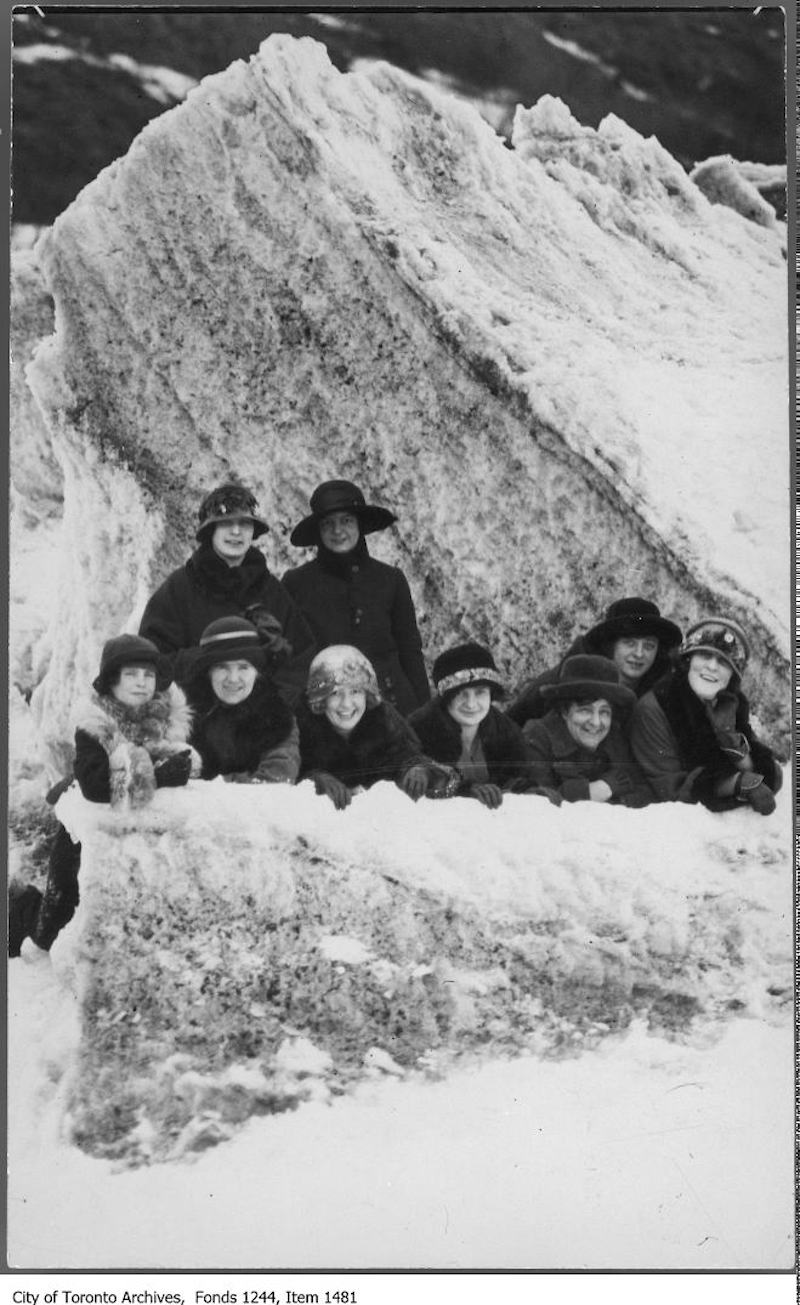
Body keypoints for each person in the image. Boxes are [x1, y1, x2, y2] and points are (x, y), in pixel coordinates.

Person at [9, 635, 200, 955]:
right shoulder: (94, 724)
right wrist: (157, 776)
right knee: (49, 932)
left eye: (149, 675)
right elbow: (96, 786)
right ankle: (19, 910)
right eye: (132, 675)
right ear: (112, 680)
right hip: (80, 838)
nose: (142, 683)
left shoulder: (168, 721)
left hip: (136, 832)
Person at [139, 482, 316, 706]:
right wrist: (207, 658)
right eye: (225, 523)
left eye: (244, 523)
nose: (235, 532)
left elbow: (301, 657)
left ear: (253, 531)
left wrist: (274, 705)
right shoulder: (179, 588)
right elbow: (151, 660)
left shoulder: (270, 589)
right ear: (210, 531)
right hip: (196, 721)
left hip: (260, 724)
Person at [283, 480, 430, 716]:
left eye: (346, 521)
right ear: (319, 532)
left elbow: (410, 651)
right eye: (328, 524)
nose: (337, 530)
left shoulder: (390, 579)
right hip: (330, 709)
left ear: (359, 525)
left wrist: (424, 712)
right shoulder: (296, 583)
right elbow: (290, 658)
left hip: (393, 705)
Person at [630, 618, 782, 814]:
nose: (711, 667)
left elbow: (768, 773)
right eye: (704, 655)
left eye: (723, 662)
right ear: (687, 661)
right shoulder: (654, 708)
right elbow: (670, 789)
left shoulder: (731, 704)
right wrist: (737, 783)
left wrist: (730, 741)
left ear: (732, 676)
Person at [297, 645, 456, 810]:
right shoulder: (299, 730)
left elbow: (407, 755)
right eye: (335, 693)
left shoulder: (384, 722)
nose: (346, 704)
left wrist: (416, 768)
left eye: (355, 691)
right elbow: (281, 782)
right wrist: (313, 781)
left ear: (367, 694)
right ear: (320, 699)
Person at [408, 641, 553, 809]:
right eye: (461, 694)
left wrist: (527, 792)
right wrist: (465, 792)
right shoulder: (418, 732)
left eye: (480, 692)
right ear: (446, 697)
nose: (471, 704)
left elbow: (518, 778)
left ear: (492, 694)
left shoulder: (507, 733)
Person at [506, 597, 682, 727]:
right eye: (630, 643)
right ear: (610, 645)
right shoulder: (562, 680)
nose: (639, 654)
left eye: (649, 646)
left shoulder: (660, 690)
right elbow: (511, 725)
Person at [523, 655, 652, 806]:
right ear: (564, 711)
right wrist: (593, 791)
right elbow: (536, 800)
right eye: (585, 711)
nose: (596, 723)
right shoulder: (537, 736)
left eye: (604, 712)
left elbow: (644, 792)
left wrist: (611, 803)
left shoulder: (613, 736)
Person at [185, 617, 299, 784]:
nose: (233, 678)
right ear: (208, 672)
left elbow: (276, 783)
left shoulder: (276, 717)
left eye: (243, 667)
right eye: (222, 667)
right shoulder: (183, 714)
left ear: (257, 672)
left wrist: (215, 785)